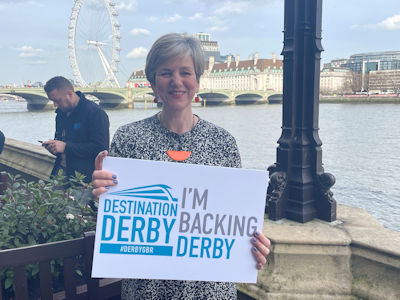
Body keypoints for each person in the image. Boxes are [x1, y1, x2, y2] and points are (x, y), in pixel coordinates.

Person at [92, 33, 271, 300]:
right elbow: (117, 222)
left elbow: (232, 219)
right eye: (166, 73)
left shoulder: (223, 142)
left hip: (210, 291)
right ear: (152, 81)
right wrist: (100, 196)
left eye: (185, 72)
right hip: (147, 291)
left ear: (197, 80)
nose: (177, 81)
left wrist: (253, 247)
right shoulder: (128, 138)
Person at [42, 76, 109, 184]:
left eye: (57, 100)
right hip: (60, 173)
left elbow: (101, 149)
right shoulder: (60, 115)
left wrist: (65, 147)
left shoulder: (95, 113)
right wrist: (54, 147)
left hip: (83, 179)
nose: (55, 105)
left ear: (69, 94)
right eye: (52, 101)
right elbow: (61, 143)